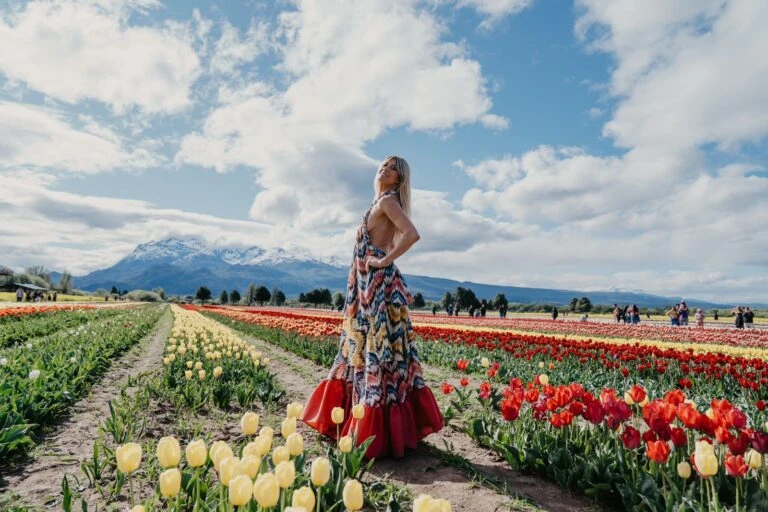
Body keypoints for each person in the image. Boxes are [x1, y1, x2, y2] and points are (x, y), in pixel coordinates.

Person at [302, 156, 442, 458]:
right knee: (371, 350)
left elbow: (412, 234)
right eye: (384, 164)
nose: (385, 169)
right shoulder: (379, 202)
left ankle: (373, 429)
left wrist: (384, 260)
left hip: (377, 288)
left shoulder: (388, 202)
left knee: (374, 351)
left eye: (393, 168)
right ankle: (376, 425)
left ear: (399, 180)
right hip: (367, 287)